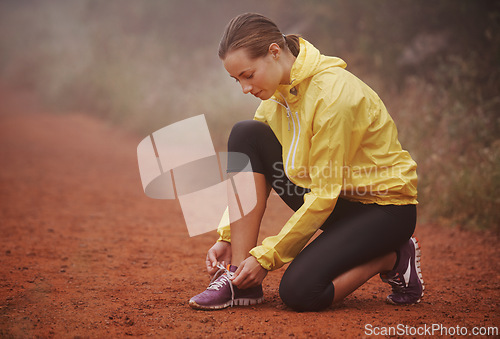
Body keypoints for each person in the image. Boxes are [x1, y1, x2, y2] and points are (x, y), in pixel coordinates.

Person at [189, 13, 424, 312]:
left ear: (274, 52)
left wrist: (266, 257)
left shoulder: (333, 96)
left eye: (248, 75)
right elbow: (255, 171)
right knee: (246, 133)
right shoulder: (277, 97)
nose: (245, 88)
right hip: (338, 200)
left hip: (384, 210)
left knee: (300, 293)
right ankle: (238, 280)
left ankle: (392, 257)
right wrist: (229, 237)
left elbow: (324, 194)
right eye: (237, 80)